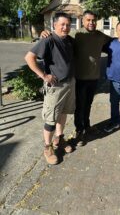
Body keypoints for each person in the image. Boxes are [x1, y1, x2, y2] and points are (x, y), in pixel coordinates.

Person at [41, 10, 111, 146]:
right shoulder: (75, 34)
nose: (91, 23)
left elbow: (115, 41)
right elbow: (59, 35)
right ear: (83, 21)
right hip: (78, 77)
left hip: (94, 77)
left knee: (88, 104)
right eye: (88, 20)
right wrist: (45, 32)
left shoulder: (100, 36)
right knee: (79, 106)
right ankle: (79, 130)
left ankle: (87, 126)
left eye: (93, 20)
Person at [25, 12, 75, 165]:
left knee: (63, 113)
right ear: (54, 25)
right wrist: (43, 75)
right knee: (51, 118)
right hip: (55, 86)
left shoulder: (69, 40)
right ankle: (47, 147)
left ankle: (59, 139)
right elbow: (29, 58)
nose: (65, 27)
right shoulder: (48, 40)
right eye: (62, 24)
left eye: (68, 25)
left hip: (69, 84)